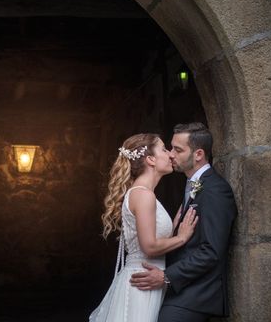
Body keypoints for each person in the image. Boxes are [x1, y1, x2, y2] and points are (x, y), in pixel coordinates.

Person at [129, 123, 237, 322]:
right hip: (178, 290)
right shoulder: (192, 185)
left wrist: (166, 276)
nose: (171, 154)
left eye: (178, 150)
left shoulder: (215, 190)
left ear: (198, 155)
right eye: (170, 148)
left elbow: (212, 251)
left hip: (197, 294)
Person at [89, 133, 198, 322]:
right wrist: (182, 237)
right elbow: (148, 246)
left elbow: (151, 235)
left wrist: (172, 226)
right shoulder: (143, 195)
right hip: (142, 283)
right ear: (150, 159)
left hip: (147, 279)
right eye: (164, 149)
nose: (171, 155)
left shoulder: (143, 193)